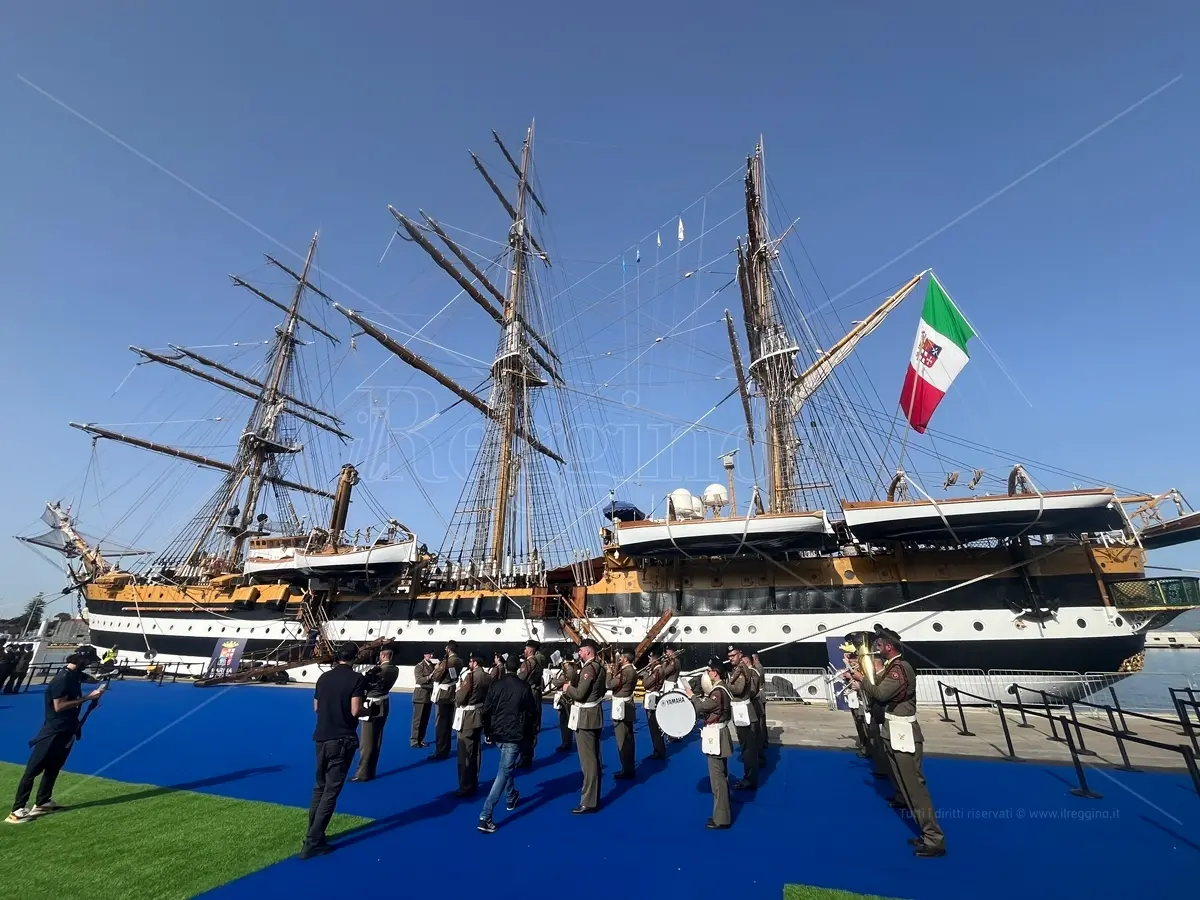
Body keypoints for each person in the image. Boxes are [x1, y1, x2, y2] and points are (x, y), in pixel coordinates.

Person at [849, 628, 946, 858]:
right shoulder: (893, 668)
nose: (877, 648)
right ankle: (926, 833)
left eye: (880, 644)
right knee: (904, 782)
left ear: (889, 647)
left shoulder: (900, 669)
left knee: (915, 786)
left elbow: (881, 695)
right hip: (893, 730)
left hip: (903, 732)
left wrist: (863, 681)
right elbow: (876, 693)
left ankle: (934, 838)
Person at [7, 646, 103, 824]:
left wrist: (102, 679)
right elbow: (59, 706)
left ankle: (43, 801)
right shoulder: (62, 679)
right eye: (88, 660)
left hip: (68, 728)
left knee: (54, 767)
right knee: (33, 769)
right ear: (79, 659)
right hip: (54, 730)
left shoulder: (75, 675)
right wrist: (88, 698)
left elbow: (89, 679)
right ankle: (17, 809)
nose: (89, 663)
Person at [303, 642, 366, 859]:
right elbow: (356, 710)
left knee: (319, 788)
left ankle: (314, 834)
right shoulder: (356, 679)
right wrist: (370, 709)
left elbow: (316, 707)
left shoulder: (323, 678)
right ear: (354, 658)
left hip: (321, 737)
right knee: (331, 791)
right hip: (342, 738)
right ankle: (313, 840)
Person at [477, 654, 537, 833]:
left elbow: (486, 710)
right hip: (514, 734)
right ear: (518, 668)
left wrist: (487, 732)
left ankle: (511, 796)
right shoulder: (523, 687)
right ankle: (485, 815)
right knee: (503, 772)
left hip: (498, 732)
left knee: (506, 766)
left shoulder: (495, 685)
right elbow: (532, 711)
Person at [685, 658, 733, 829]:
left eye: (710, 671)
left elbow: (702, 708)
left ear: (715, 673)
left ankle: (721, 818)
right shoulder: (723, 689)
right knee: (722, 774)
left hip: (716, 735)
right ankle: (724, 810)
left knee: (717, 777)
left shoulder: (717, 692)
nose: (708, 674)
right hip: (720, 732)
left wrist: (692, 696)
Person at [562, 638, 605, 813]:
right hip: (594, 714)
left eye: (580, 651)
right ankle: (593, 797)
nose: (578, 653)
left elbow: (579, 694)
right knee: (594, 758)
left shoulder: (589, 668)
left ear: (587, 651)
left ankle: (589, 801)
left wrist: (567, 688)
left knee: (588, 762)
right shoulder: (600, 666)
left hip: (586, 717)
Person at [352, 647, 399, 782]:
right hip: (384, 703)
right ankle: (371, 770)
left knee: (367, 742)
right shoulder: (395, 669)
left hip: (373, 704)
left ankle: (362, 773)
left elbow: (368, 685)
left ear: (383, 656)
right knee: (377, 739)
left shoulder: (379, 671)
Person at [454, 651, 492, 797]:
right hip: (479, 714)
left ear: (475, 662)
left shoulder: (470, 677)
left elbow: (460, 698)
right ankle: (473, 781)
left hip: (468, 716)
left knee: (464, 753)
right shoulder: (487, 677)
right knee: (476, 752)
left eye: (470, 661)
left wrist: (457, 691)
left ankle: (465, 786)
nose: (469, 664)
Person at [726, 646, 761, 790]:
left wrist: (726, 686)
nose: (730, 658)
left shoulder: (741, 669)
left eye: (733, 655)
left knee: (748, 748)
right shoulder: (737, 669)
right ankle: (750, 776)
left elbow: (739, 689)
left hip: (744, 712)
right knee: (746, 747)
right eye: (729, 656)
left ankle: (750, 779)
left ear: (740, 655)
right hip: (740, 711)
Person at [428, 642, 463, 761]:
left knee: (441, 724)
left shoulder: (447, 662)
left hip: (443, 694)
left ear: (448, 649)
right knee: (448, 723)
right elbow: (454, 676)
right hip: (451, 693)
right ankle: (446, 748)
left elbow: (436, 677)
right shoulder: (459, 661)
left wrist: (437, 668)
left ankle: (440, 751)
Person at [606, 649, 637, 779]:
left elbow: (609, 684)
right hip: (628, 704)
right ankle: (629, 766)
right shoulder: (633, 670)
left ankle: (626, 769)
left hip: (621, 706)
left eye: (621, 657)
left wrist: (608, 672)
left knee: (622, 739)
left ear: (625, 658)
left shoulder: (625, 671)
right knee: (629, 737)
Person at [516, 640, 544, 767]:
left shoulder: (528, 663)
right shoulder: (539, 661)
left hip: (528, 695)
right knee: (532, 726)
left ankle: (525, 757)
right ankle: (527, 756)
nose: (524, 651)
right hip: (536, 694)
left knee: (526, 727)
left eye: (526, 649)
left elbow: (520, 679)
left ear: (531, 650)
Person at [641, 650, 667, 761]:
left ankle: (659, 750)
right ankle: (657, 749)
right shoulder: (655, 669)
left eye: (650, 659)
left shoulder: (658, 670)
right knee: (652, 727)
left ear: (655, 659)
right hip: (650, 698)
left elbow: (646, 684)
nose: (649, 660)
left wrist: (646, 674)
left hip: (653, 698)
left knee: (654, 727)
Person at [554, 655, 579, 752]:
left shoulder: (569, 672)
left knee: (564, 721)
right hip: (568, 697)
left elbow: (557, 682)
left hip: (566, 697)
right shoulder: (573, 670)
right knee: (566, 721)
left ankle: (566, 742)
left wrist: (554, 678)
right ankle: (567, 741)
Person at [411, 652, 435, 748]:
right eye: (429, 654)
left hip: (429, 695)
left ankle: (421, 739)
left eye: (432, 654)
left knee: (425, 719)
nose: (431, 656)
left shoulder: (432, 666)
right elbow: (419, 680)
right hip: (420, 695)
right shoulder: (419, 666)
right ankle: (414, 740)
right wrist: (430, 676)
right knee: (418, 719)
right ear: (424, 655)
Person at [750, 651, 767, 765]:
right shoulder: (758, 667)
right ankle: (764, 741)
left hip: (759, 696)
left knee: (760, 722)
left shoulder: (757, 668)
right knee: (762, 722)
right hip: (760, 694)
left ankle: (762, 743)